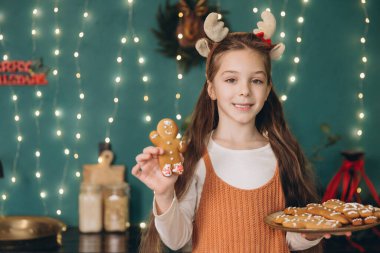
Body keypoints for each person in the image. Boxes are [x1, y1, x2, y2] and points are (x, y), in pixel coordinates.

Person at [132, 11, 342, 253]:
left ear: (267, 89)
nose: (244, 91)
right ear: (212, 88)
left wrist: (308, 232)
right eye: (231, 80)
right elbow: (178, 239)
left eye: (256, 81)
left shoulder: (281, 153)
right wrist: (165, 192)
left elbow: (290, 239)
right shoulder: (195, 154)